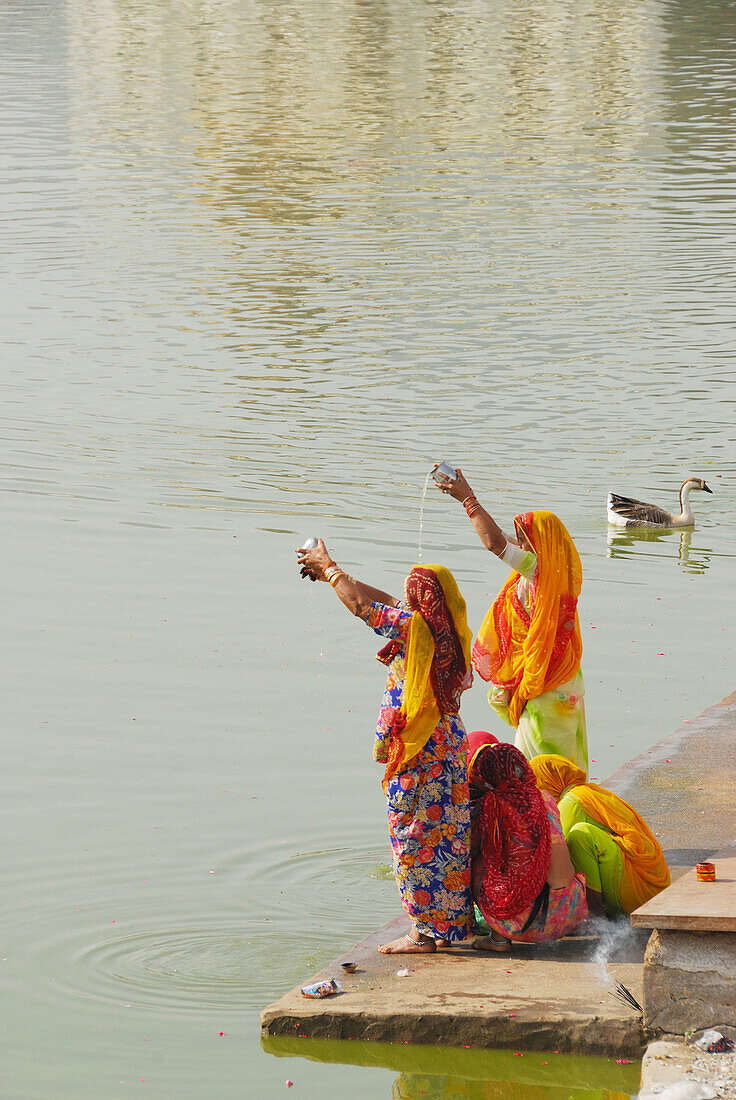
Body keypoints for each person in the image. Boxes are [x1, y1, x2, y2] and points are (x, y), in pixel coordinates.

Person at [296, 539, 474, 953]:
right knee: (446, 835)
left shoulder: (415, 631)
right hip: (447, 745)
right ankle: (443, 928)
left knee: (411, 835)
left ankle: (421, 934)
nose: (405, 599)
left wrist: (330, 568)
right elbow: (385, 600)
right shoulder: (446, 629)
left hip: (418, 750)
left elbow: (364, 608)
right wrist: (332, 575)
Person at [435, 466, 588, 772]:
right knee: (565, 763)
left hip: (546, 689)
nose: (519, 544)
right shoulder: (556, 572)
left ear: (540, 545)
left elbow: (495, 543)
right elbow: (501, 539)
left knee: (540, 771)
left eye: (524, 539)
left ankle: (546, 817)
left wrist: (468, 499)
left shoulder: (539, 572)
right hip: (566, 682)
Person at [467, 734, 587, 951]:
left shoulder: (490, 805)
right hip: (567, 912)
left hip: (521, 922)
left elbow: (468, 850)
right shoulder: (545, 798)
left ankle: (498, 940)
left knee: (475, 862)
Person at [529, 754, 670, 917]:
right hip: (652, 887)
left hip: (637, 891)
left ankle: (595, 917)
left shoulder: (572, 801)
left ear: (548, 780)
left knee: (579, 836)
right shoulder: (589, 791)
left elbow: (558, 858)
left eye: (537, 783)